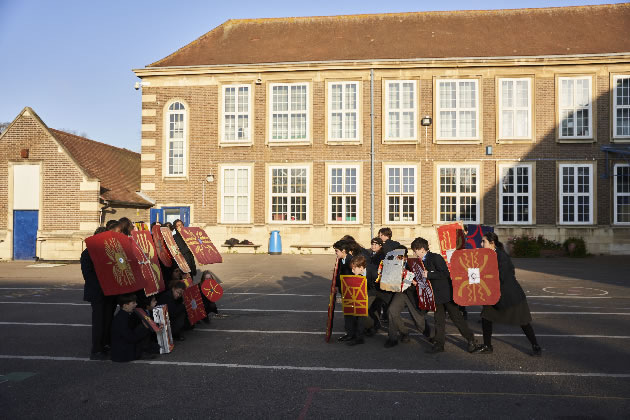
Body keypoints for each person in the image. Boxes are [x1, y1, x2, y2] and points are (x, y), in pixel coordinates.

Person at [472, 232, 542, 356]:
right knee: (486, 317)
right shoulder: (486, 255)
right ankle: (488, 346)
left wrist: (482, 278)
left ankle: (536, 346)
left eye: (484, 241)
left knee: (523, 322)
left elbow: (501, 277)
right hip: (494, 295)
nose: (481, 244)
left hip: (511, 296)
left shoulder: (501, 256)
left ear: (492, 243)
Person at [410, 237, 478, 354]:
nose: (414, 254)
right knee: (438, 320)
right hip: (435, 295)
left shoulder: (435, 257)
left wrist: (429, 274)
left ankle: (471, 339)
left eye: (415, 251)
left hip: (446, 294)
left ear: (422, 249)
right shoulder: (420, 261)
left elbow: (444, 273)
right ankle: (439, 344)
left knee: (457, 318)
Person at [383, 246, 430, 348]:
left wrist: (414, 282)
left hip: (412, 294)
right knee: (392, 311)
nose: (396, 259)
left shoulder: (413, 264)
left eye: (399, 257)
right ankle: (394, 337)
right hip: (401, 293)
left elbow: (423, 279)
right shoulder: (392, 264)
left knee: (418, 320)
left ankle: (432, 336)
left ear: (404, 257)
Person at [81, 226, 116, 360]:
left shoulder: (107, 251)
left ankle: (105, 344)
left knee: (108, 319)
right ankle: (96, 349)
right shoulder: (88, 253)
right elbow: (88, 275)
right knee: (99, 321)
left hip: (109, 292)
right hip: (98, 292)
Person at [349, 254, 386, 336]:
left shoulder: (374, 272)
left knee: (364, 308)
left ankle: (369, 328)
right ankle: (372, 326)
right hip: (370, 291)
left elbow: (379, 287)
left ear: (361, 268)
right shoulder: (359, 272)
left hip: (379, 292)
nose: (352, 271)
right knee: (369, 310)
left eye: (354, 269)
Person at [110, 294, 154, 362]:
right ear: (125, 306)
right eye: (133, 303)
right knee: (143, 327)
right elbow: (131, 337)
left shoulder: (126, 314)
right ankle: (143, 352)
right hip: (124, 353)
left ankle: (145, 350)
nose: (136, 304)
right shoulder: (121, 319)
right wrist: (145, 328)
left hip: (125, 347)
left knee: (155, 346)